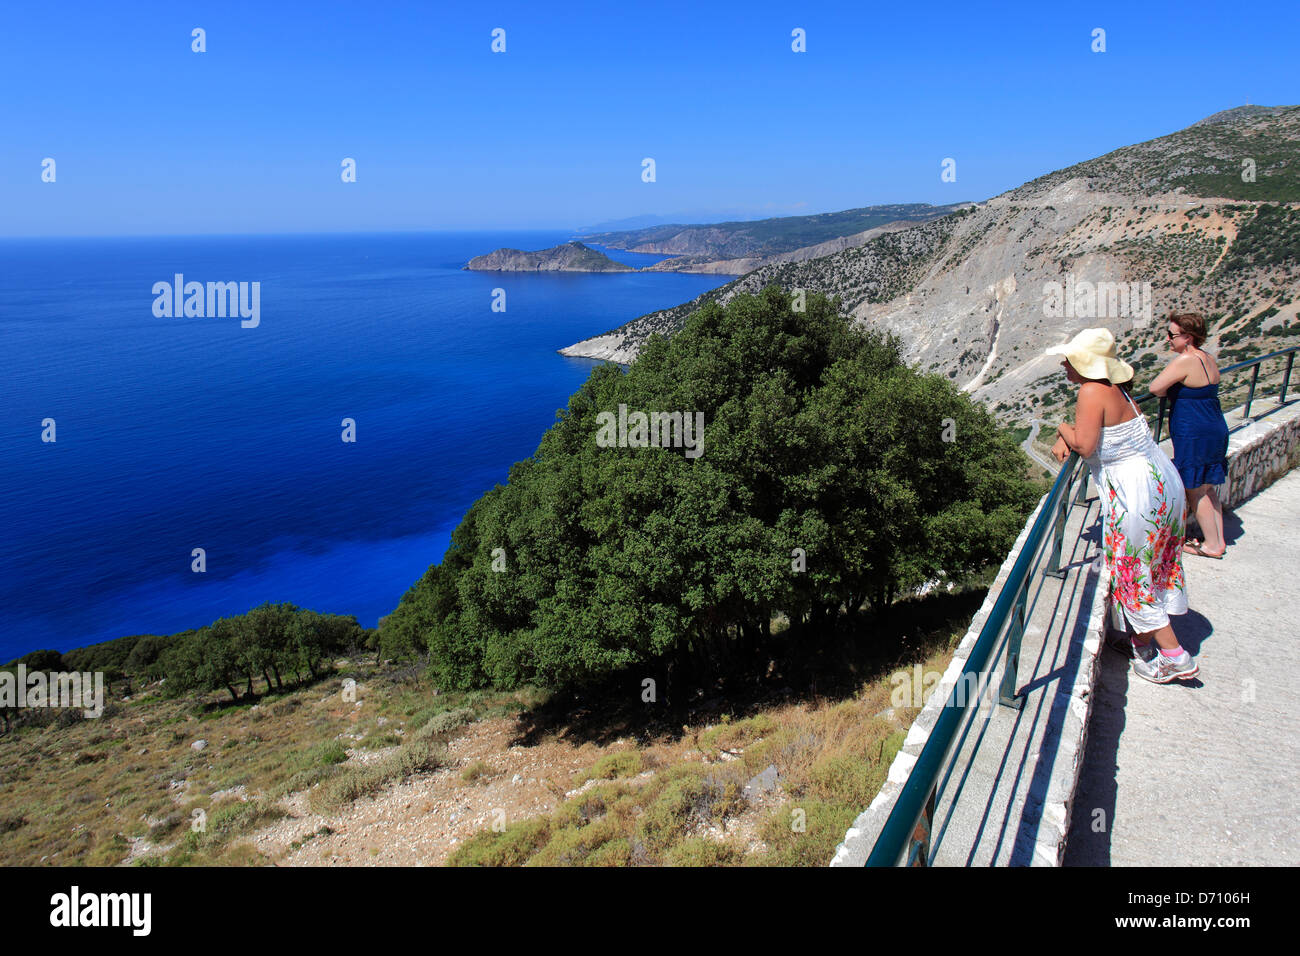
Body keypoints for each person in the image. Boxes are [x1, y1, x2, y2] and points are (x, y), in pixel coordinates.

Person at [1047, 328, 1197, 684]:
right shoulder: (1118, 390)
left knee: (1133, 572)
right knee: (1156, 563)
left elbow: (1083, 445)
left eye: (1069, 358)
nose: (1064, 364)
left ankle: (1175, 657)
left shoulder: (1090, 390)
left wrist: (1061, 428)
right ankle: (1138, 639)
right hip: (1161, 481)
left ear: (1085, 363)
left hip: (1135, 493)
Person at [1147, 312, 1229, 558]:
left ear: (1188, 337)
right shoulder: (1207, 357)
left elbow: (1155, 388)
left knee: (1195, 489)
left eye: (1171, 335)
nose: (1168, 340)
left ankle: (1212, 546)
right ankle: (1218, 540)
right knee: (1207, 487)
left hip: (1194, 431)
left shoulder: (1186, 360)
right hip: (1214, 425)